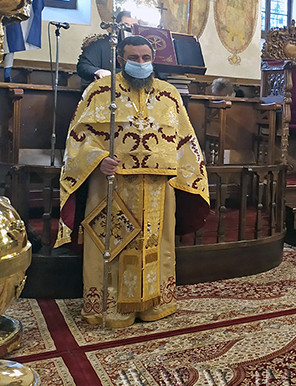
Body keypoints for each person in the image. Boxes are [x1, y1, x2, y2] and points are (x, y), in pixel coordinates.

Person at [56, 35, 209, 328]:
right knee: (112, 244)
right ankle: (110, 307)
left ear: (153, 59)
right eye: (133, 58)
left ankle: (155, 302)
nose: (140, 63)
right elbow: (78, 137)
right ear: (120, 60)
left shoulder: (169, 94)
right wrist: (98, 159)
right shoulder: (100, 91)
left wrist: (187, 175)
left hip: (158, 187)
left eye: (145, 58)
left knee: (157, 243)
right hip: (111, 184)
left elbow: (185, 139)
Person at [76, 11, 138, 86]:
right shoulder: (101, 45)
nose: (129, 28)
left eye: (133, 26)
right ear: (117, 26)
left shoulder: (144, 50)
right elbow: (83, 66)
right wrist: (98, 71)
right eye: (125, 25)